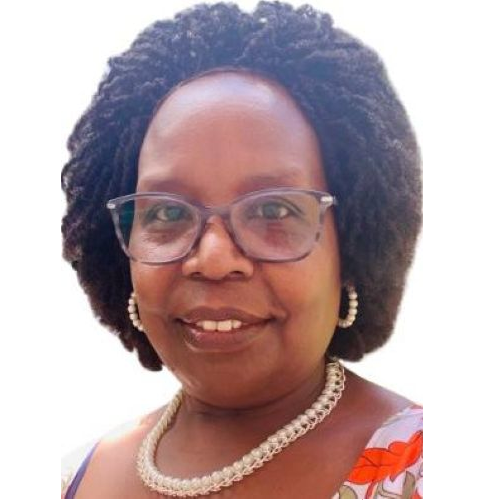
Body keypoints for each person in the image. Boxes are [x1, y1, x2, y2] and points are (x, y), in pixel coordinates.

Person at [60, 1, 423, 498]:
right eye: (166, 213)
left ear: (354, 248)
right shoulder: (72, 478)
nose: (213, 259)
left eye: (273, 210)